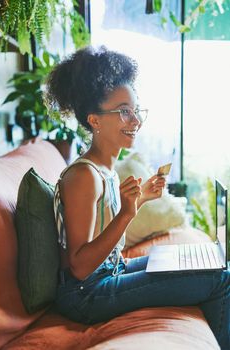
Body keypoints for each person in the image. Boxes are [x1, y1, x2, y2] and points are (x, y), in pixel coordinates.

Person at [45, 45, 230, 350]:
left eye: (135, 110)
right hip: (86, 294)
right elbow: (79, 267)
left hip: (108, 271)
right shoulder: (83, 176)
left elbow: (104, 243)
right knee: (222, 279)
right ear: (94, 120)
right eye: (123, 112)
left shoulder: (106, 168)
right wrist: (127, 213)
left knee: (203, 260)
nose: (135, 121)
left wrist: (140, 199)